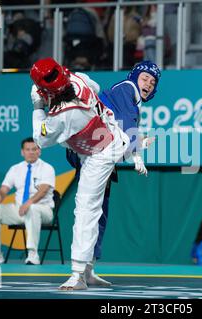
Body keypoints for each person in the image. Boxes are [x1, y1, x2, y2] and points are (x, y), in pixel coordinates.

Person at [30, 57, 147, 290]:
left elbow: (39, 139)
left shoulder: (65, 115)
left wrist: (37, 107)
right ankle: (89, 270)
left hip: (100, 154)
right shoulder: (79, 79)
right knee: (95, 209)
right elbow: (94, 88)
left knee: (86, 209)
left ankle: (78, 275)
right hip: (104, 136)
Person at [66, 60, 161, 286]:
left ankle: (88, 269)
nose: (148, 83)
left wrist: (136, 147)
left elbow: (118, 133)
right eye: (145, 78)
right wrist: (136, 154)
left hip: (101, 154)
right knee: (88, 210)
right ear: (135, 76)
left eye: (152, 81)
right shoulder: (127, 88)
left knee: (100, 212)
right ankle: (77, 272)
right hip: (88, 151)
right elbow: (126, 125)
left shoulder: (131, 97)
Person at [0, 137, 56, 265]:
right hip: (19, 209)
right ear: (22, 152)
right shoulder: (15, 169)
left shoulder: (47, 168)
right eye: (28, 149)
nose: (31, 152)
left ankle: (32, 254)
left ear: (39, 151)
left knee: (32, 208)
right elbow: (3, 190)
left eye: (34, 149)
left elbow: (43, 191)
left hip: (43, 210)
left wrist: (28, 203)